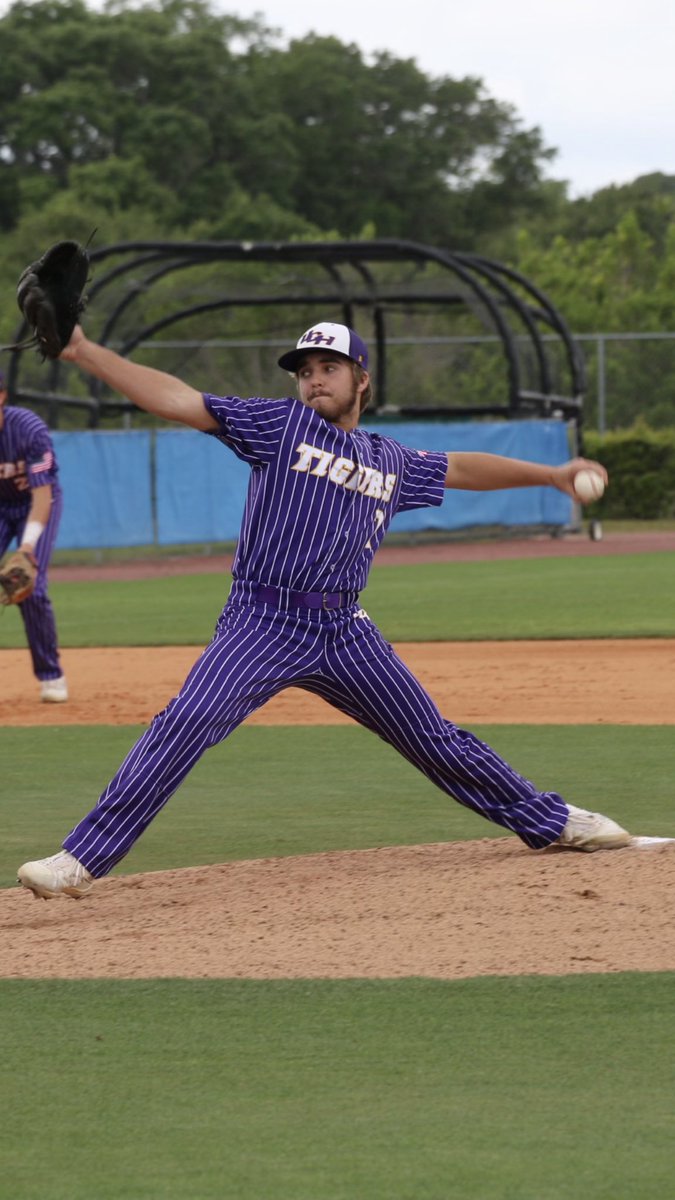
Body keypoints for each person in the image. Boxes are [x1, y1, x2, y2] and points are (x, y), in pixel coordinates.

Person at [17, 320, 631, 900]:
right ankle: (80, 860)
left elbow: (462, 467)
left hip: (344, 630)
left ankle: (548, 821)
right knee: (185, 723)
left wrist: (551, 474)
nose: (314, 378)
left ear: (361, 378)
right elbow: (178, 399)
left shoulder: (387, 460)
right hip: (264, 621)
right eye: (305, 368)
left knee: (436, 739)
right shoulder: (279, 426)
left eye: (329, 367)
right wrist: (82, 351)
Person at [0, 368, 68, 702]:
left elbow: (42, 496)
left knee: (31, 588)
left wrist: (26, 548)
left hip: (35, 503)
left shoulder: (28, 430)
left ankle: (51, 675)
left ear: (1, 397)